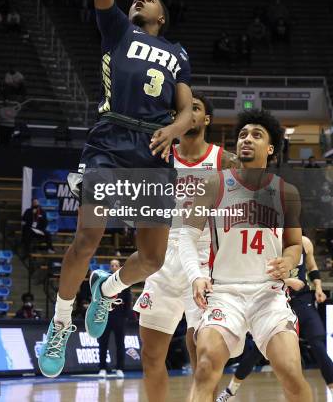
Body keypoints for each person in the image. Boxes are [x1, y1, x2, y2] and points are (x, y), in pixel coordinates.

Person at [38, 0, 192, 379]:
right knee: (87, 236)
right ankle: (61, 323)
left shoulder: (176, 53)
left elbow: (190, 106)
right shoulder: (117, 30)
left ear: (163, 17)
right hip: (110, 140)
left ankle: (106, 289)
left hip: (151, 153)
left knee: (151, 259)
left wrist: (176, 127)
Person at [180, 109, 312, 402]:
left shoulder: (286, 192)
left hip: (269, 293)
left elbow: (293, 244)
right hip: (225, 292)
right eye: (242, 135)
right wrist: (196, 276)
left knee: (291, 370)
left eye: (256, 135)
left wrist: (290, 262)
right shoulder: (214, 184)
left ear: (270, 148)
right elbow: (186, 237)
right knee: (204, 367)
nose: (246, 140)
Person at [134, 93, 238, 402]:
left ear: (206, 119)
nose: (189, 114)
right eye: (183, 110)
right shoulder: (160, 156)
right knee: (151, 356)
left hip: (204, 261)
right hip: (163, 260)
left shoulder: (225, 160)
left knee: (202, 356)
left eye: (196, 108)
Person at [216, 235, 333, 401]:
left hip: (302, 300)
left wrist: (319, 287)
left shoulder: (305, 242)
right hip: (276, 298)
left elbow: (312, 267)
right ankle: (230, 390)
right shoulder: (268, 240)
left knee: (318, 343)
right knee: (257, 351)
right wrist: (287, 281)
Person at [98, 259, 132, 378]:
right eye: (112, 265)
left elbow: (128, 301)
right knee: (103, 343)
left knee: (120, 344)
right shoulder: (104, 281)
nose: (114, 267)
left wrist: (125, 316)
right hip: (105, 317)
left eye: (116, 265)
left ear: (119, 267)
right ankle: (102, 368)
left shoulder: (124, 282)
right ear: (109, 267)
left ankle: (120, 368)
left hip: (119, 318)